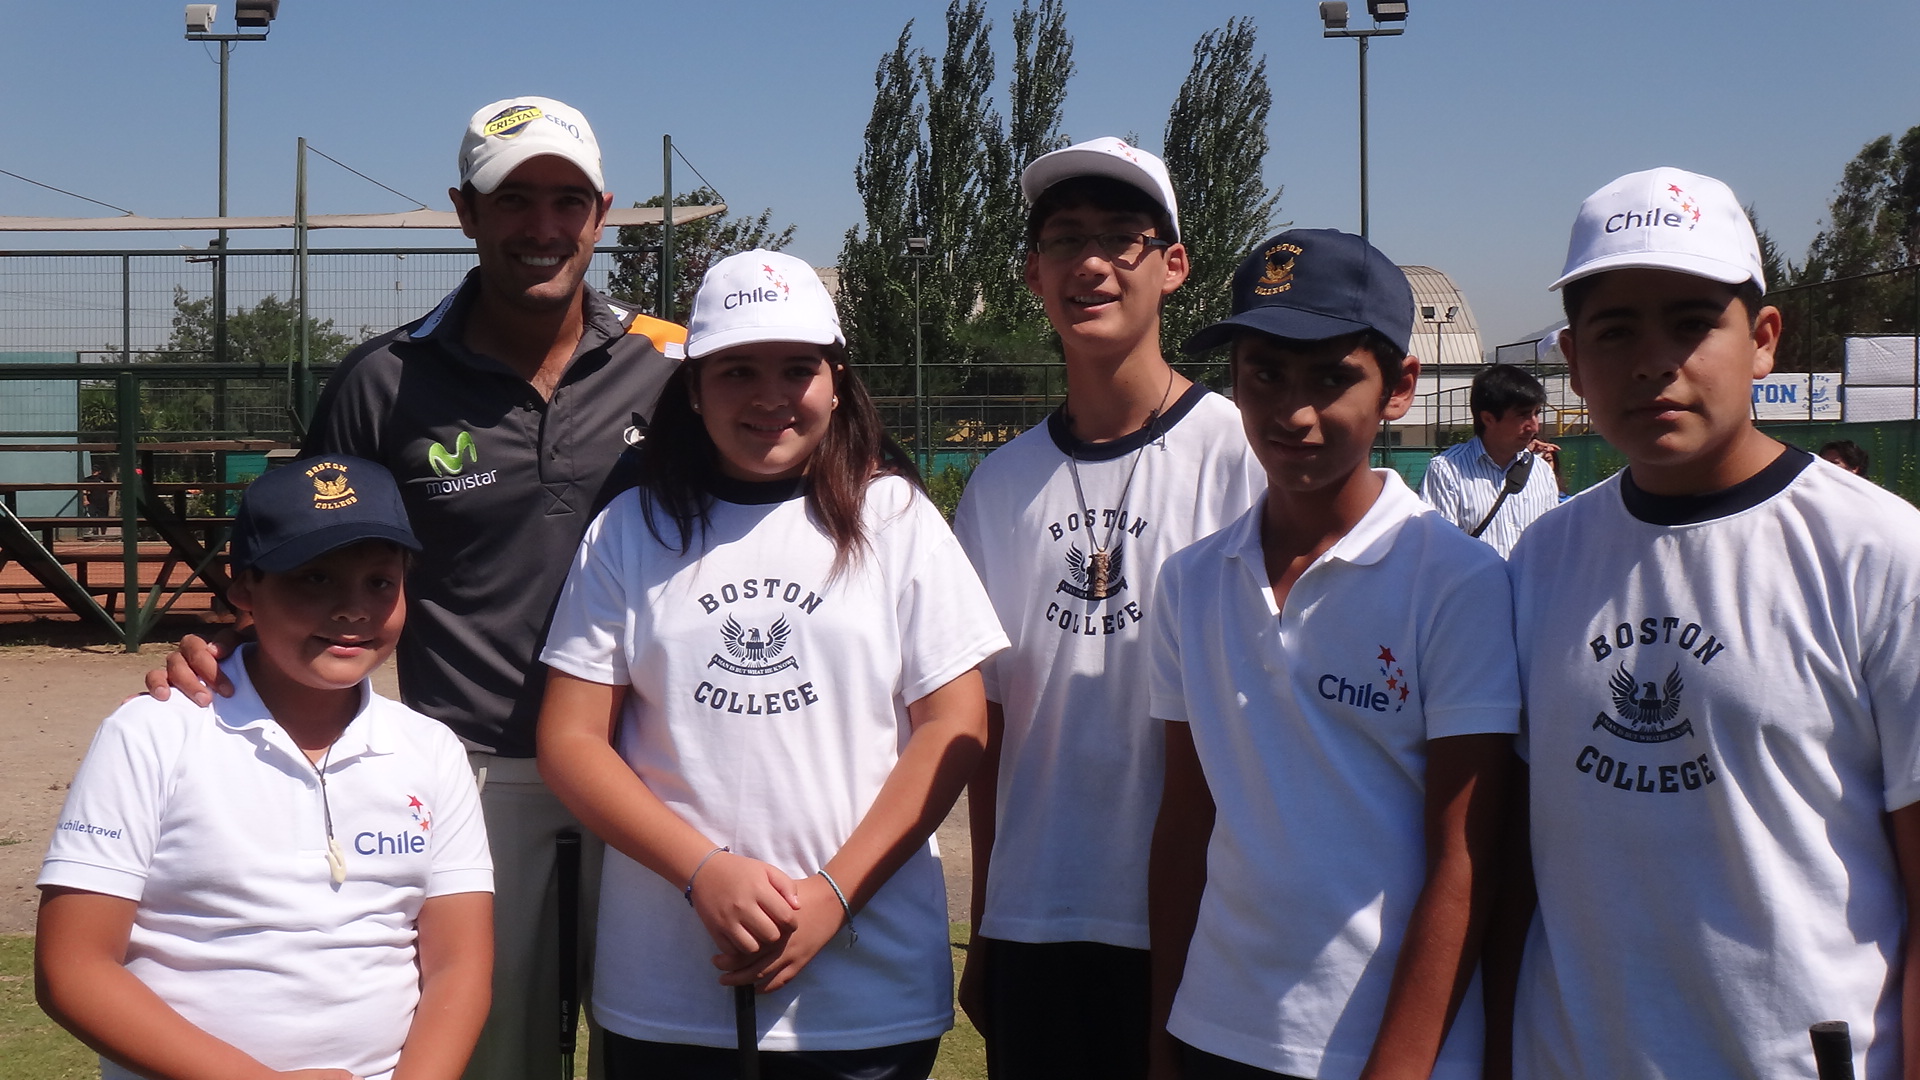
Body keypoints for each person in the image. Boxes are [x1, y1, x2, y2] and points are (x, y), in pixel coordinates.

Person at [149, 96, 684, 1080]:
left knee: (658, 1053)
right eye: (512, 199)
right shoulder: (384, 381)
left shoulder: (677, 366)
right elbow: (297, 557)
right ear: (464, 211)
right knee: (487, 1057)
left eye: (566, 200)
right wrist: (224, 649)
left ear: (602, 214)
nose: (542, 226)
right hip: (476, 779)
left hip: (661, 771)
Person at [536, 250, 1008, 1080]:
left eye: (798, 369)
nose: (769, 397)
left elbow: (956, 726)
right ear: (693, 388)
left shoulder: (893, 516)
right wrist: (701, 871)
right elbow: (572, 741)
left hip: (867, 988)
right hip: (671, 991)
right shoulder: (629, 530)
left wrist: (833, 894)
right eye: (737, 371)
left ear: (836, 379)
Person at [1501, 167, 1920, 1079]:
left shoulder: (1883, 553)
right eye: (1616, 330)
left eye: (1693, 323)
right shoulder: (1542, 559)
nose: (1656, 360)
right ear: (1573, 360)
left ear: (1763, 340)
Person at [1148, 229, 1519, 1080]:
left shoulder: (1455, 582)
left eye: (1332, 376)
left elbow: (1469, 855)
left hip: (1381, 1047)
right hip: (1215, 1028)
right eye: (1265, 375)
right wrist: (1163, 1033)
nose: (1294, 411)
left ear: (1400, 387)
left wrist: (1396, 1065)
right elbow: (1184, 825)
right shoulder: (1191, 582)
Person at [949, 137, 1264, 1078]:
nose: (1090, 262)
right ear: (1033, 273)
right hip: (1041, 918)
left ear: (1173, 266)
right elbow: (989, 722)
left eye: (1122, 237)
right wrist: (990, 912)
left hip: (1204, 914)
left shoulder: (1239, 455)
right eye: (1064, 238)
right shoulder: (1000, 486)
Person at [37, 456, 494, 1080]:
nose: (353, 609)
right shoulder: (152, 732)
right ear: (245, 588)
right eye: (314, 579)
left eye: (380, 582)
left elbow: (457, 966)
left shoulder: (431, 749)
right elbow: (73, 969)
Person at [1419, 365, 1563, 556]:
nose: (1534, 426)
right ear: (1488, 418)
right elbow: (1439, 552)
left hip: (1532, 586)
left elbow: (1552, 545)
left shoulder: (1541, 472)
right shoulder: (1447, 470)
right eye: (1523, 415)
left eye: (1537, 413)